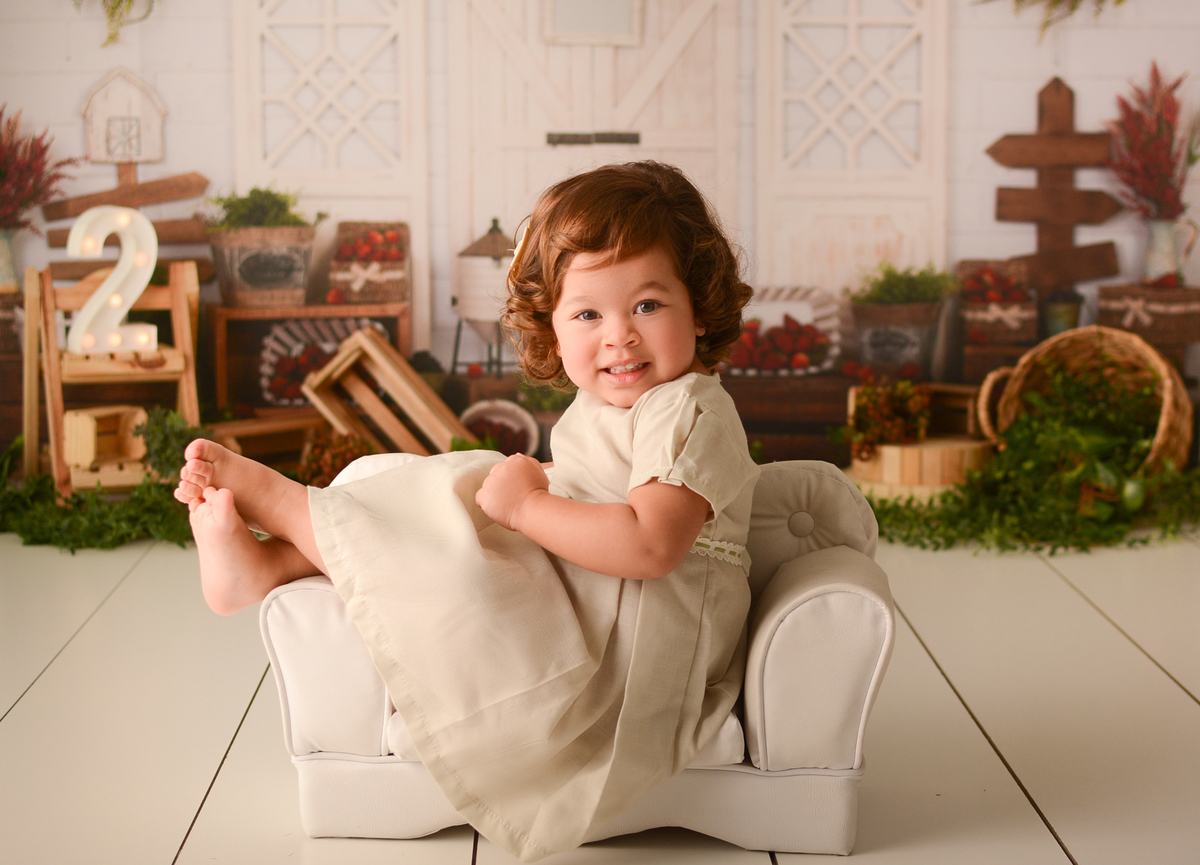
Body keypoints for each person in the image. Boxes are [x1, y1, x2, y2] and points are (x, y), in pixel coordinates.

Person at [175, 161, 759, 862]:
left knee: (458, 524)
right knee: (439, 491)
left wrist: (528, 506)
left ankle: (283, 512)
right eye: (588, 314)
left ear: (700, 306)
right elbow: (602, 493)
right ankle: (274, 558)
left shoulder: (687, 407)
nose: (619, 336)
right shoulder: (624, 402)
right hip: (606, 591)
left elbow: (650, 545)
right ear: (552, 325)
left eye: (648, 305)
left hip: (641, 646)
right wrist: (529, 495)